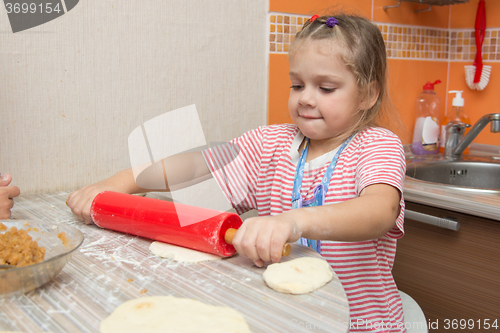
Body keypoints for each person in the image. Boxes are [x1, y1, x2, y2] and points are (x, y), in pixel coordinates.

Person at [68, 13, 407, 331]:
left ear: (368, 93)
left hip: (361, 323)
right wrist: (118, 183)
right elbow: (196, 165)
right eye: (297, 85)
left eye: (326, 88)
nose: (306, 98)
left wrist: (293, 221)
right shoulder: (269, 143)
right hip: (286, 318)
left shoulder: (376, 146)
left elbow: (380, 211)